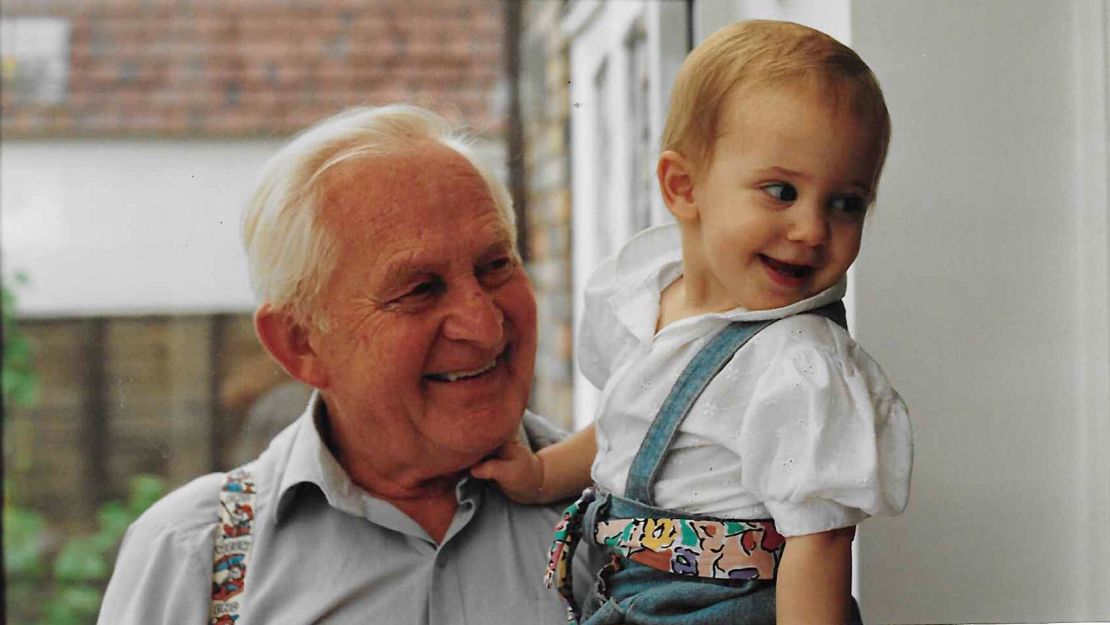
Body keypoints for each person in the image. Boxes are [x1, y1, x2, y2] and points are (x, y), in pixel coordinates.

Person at [471, 20, 913, 625]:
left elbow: (820, 544)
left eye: (846, 203)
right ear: (684, 188)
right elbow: (637, 429)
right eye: (781, 191)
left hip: (728, 608)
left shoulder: (798, 362)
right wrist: (543, 473)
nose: (812, 229)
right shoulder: (650, 297)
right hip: (627, 593)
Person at [97, 105, 593, 624]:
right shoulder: (191, 555)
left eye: (495, 266)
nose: (484, 325)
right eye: (419, 290)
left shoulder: (628, 514)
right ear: (300, 343)